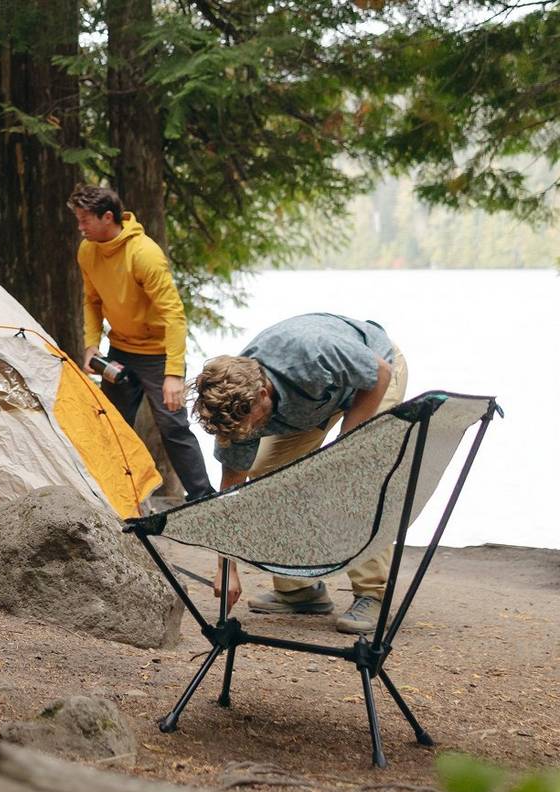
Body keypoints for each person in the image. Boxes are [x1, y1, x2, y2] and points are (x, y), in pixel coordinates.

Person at [191, 312, 410, 634]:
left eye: (250, 424)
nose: (246, 433)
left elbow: (379, 372)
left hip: (375, 371)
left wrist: (345, 446)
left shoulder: (312, 353)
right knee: (270, 475)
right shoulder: (235, 411)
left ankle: (373, 594)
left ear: (262, 395)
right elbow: (231, 493)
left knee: (355, 474)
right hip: (315, 401)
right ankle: (299, 589)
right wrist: (226, 568)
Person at [68, 184, 214, 504]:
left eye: (85, 220)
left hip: (158, 354)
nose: (80, 227)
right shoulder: (87, 251)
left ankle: (204, 497)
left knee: (173, 426)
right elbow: (92, 301)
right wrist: (91, 345)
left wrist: (173, 374)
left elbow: (174, 315)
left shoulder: (144, 254)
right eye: (78, 220)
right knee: (112, 425)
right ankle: (115, 497)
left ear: (108, 217)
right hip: (121, 350)